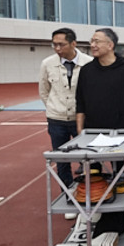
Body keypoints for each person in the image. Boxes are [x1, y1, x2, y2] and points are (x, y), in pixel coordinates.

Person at [39, 27, 93, 189]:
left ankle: (89, 191)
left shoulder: (89, 63)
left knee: (89, 157)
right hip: (57, 119)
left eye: (61, 45)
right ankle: (67, 193)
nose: (57, 49)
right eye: (54, 45)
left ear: (73, 43)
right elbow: (44, 91)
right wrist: (54, 107)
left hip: (82, 118)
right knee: (62, 159)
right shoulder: (47, 64)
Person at [75, 28, 124, 132]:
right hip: (91, 132)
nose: (92, 45)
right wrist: (79, 131)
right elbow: (80, 104)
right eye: (91, 41)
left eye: (97, 41)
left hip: (120, 132)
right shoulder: (86, 70)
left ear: (110, 45)